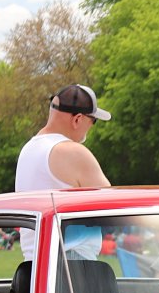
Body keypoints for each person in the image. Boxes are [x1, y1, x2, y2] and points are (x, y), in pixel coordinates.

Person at [15, 84, 112, 265]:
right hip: (72, 263)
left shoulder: (28, 150)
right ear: (77, 119)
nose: (90, 128)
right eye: (93, 121)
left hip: (33, 263)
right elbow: (113, 206)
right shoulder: (72, 152)